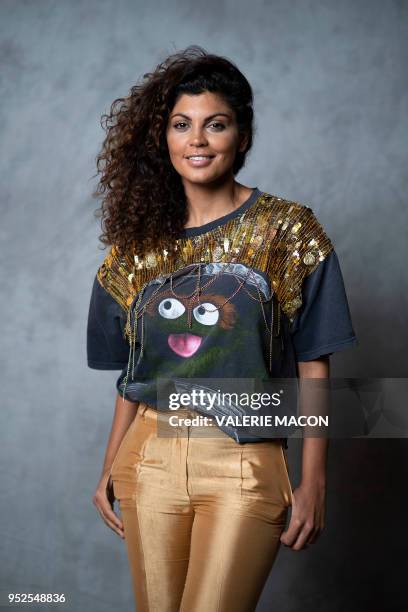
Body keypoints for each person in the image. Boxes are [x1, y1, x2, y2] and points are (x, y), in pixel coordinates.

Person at [87, 45, 358, 612]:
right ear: (162, 139)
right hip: (149, 462)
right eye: (182, 125)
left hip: (245, 463)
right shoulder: (136, 247)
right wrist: (109, 465)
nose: (198, 140)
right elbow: (136, 377)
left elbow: (314, 364)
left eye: (216, 124)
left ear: (242, 134)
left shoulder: (288, 229)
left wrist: (314, 483)